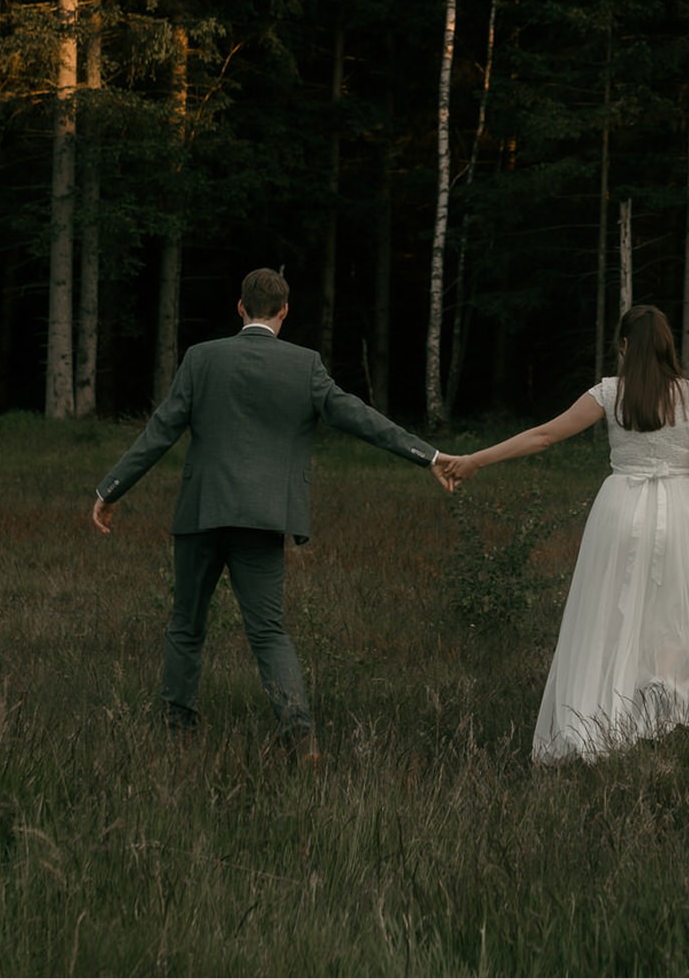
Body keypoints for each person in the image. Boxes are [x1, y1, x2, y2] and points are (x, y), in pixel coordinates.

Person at [92, 266, 454, 750]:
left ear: (239, 308)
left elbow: (159, 432)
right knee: (268, 633)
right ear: (284, 311)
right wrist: (428, 455)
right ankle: (297, 731)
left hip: (201, 514)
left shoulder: (201, 358)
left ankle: (177, 727)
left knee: (185, 625)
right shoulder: (304, 366)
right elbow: (363, 419)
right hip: (263, 520)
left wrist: (110, 490)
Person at [445, 303, 689, 764]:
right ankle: (652, 723)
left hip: (619, 510)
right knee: (670, 620)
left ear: (624, 346)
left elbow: (544, 436)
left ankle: (597, 721)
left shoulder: (611, 393)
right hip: (681, 511)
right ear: (668, 346)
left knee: (607, 615)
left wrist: (475, 459)